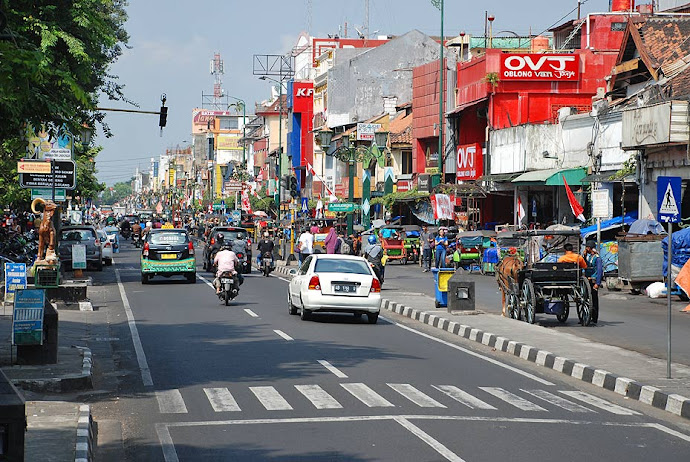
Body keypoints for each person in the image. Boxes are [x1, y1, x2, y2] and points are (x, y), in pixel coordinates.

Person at [584, 240, 602, 324]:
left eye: (586, 247)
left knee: (594, 299)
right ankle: (587, 316)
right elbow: (584, 264)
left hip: (593, 280)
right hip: (587, 280)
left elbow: (599, 270)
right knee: (586, 299)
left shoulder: (597, 258)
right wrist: (584, 256)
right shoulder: (588, 257)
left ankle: (594, 318)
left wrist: (597, 283)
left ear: (589, 248)